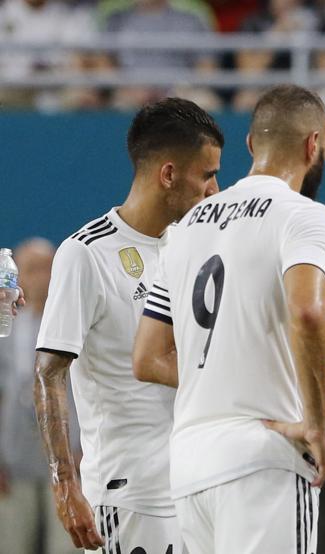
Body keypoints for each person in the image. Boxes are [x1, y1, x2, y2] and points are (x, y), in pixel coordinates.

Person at [132, 84, 325, 553]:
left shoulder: (184, 229)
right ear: (313, 145)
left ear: (250, 145)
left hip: (191, 467)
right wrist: (315, 422)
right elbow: (308, 311)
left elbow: (147, 357)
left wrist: (276, 369)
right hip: (264, 460)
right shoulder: (305, 216)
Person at [33, 97, 223, 552]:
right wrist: (64, 483)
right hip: (129, 496)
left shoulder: (194, 247)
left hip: (198, 488)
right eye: (207, 175)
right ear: (169, 174)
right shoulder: (86, 254)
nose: (215, 190)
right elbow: (49, 371)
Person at [0, 238, 79, 554]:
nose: (42, 277)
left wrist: (85, 448)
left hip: (68, 457)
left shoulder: (75, 323)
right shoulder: (5, 330)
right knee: (13, 543)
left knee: (65, 545)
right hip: (15, 459)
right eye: (33, 269)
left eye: (48, 268)